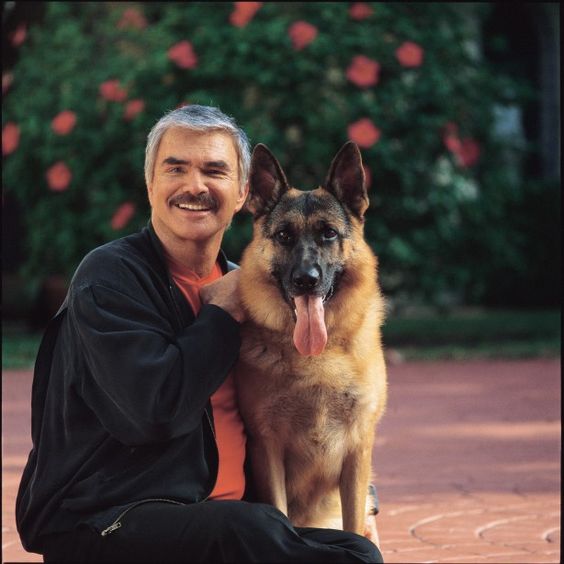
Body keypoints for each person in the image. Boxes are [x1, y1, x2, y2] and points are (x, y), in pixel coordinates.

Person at [16, 104, 383, 563]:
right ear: (151, 184)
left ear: (244, 193)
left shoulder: (251, 290)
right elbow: (153, 411)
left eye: (214, 170)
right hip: (113, 519)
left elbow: (312, 415)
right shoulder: (111, 277)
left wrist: (361, 491)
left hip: (222, 522)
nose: (195, 185)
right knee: (259, 529)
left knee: (357, 552)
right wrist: (221, 314)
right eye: (176, 169)